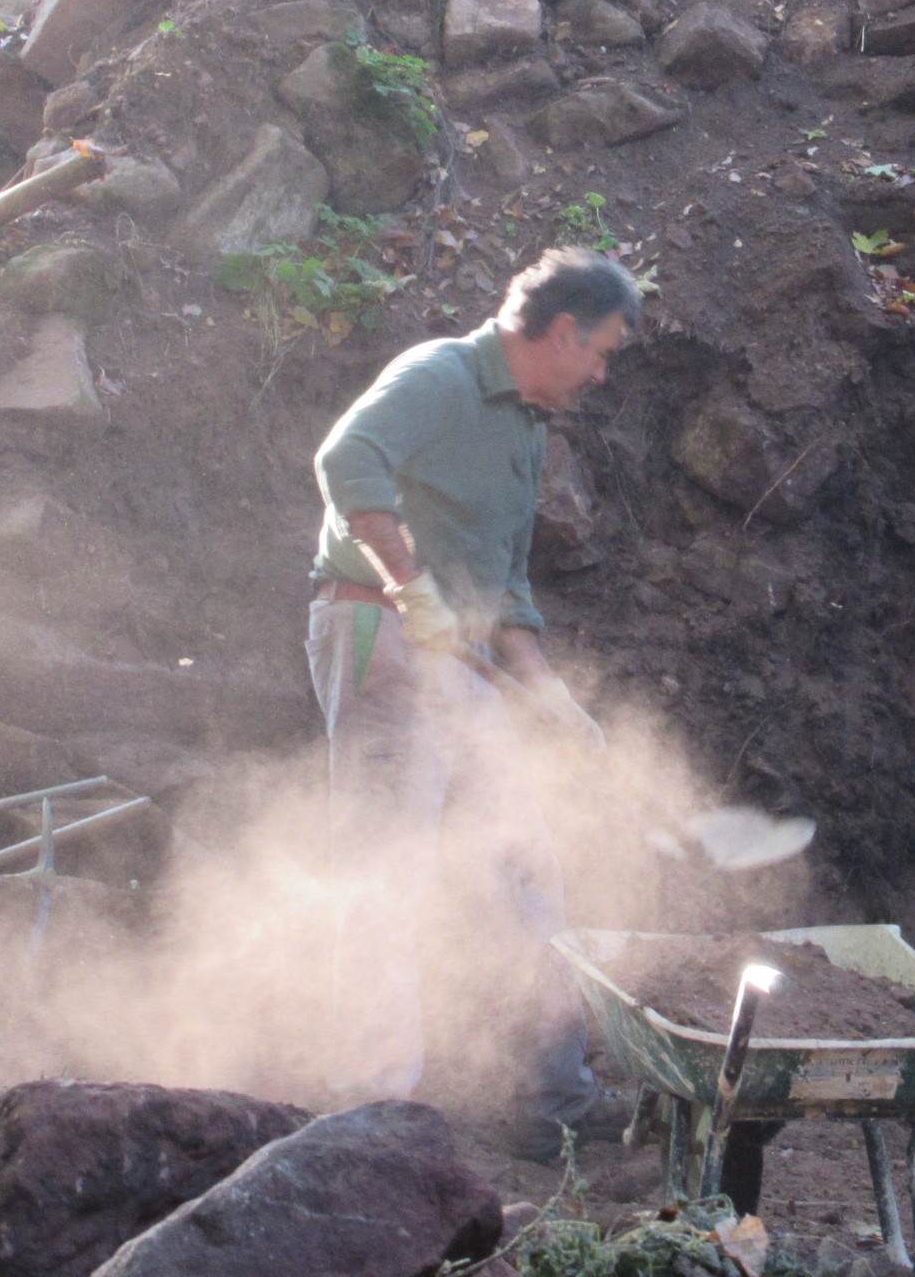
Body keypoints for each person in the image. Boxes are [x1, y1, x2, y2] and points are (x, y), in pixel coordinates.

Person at [308, 246, 640, 1161]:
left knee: (526, 865)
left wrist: (551, 698)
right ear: (563, 330)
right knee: (388, 866)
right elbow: (346, 458)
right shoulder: (441, 375)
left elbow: (507, 590)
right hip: (379, 634)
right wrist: (410, 586)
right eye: (603, 352)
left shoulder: (526, 431)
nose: (603, 375)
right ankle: (370, 1115)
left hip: (457, 653)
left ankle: (552, 1099)